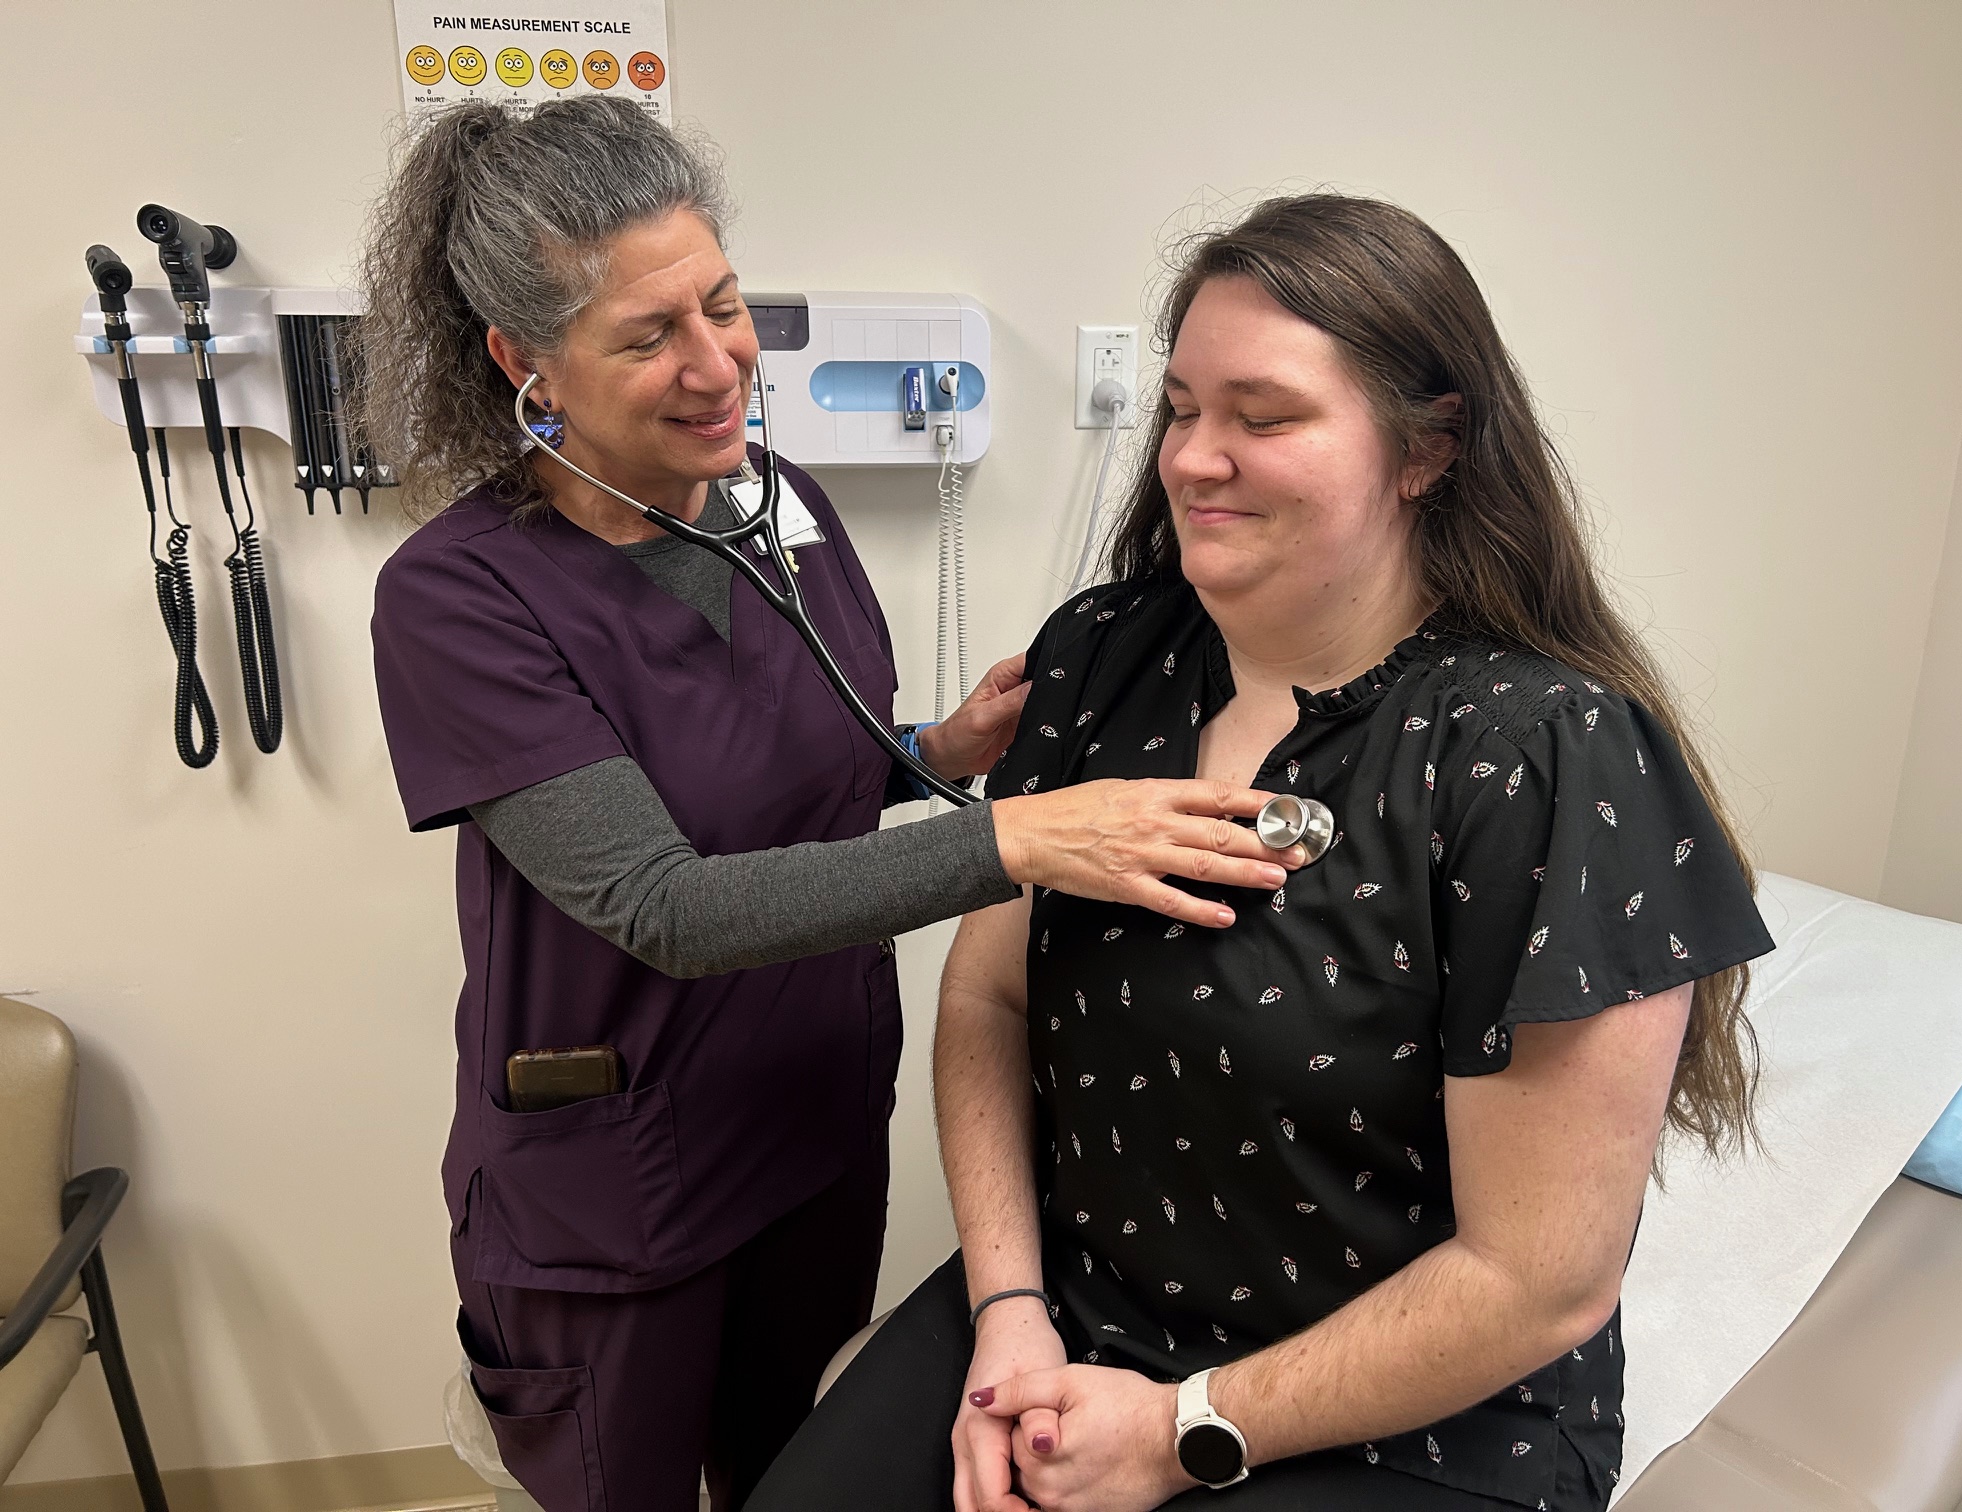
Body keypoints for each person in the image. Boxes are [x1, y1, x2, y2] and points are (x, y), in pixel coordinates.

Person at [748, 194, 1776, 1512]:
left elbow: (1542, 1279)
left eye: (1264, 416)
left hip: (1414, 1417)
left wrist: (1183, 1429)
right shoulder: (1105, 660)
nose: (1191, 458)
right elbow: (988, 993)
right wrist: (1008, 1312)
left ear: (1427, 451)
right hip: (1073, 1314)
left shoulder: (1541, 757)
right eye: (1179, 409)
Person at [355, 98, 1300, 1512]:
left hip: (808, 1129)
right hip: (622, 1184)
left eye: (722, 304)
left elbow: (787, 768)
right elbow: (662, 902)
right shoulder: (458, 596)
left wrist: (940, 750)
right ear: (522, 362)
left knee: (787, 1478)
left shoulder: (770, 503)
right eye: (645, 336)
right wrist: (1023, 839)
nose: (712, 362)